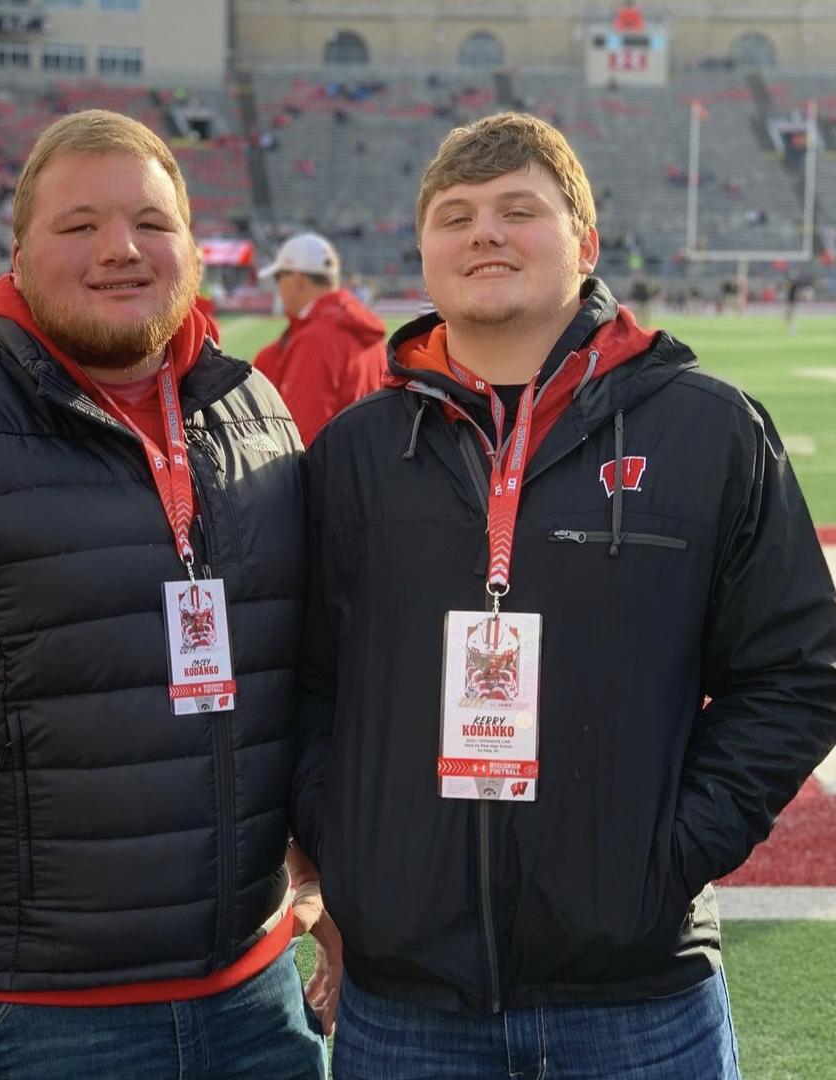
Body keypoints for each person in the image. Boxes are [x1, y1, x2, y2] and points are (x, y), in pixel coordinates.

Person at [0, 110, 333, 1080]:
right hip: (41, 1020)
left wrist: (317, 880)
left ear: (191, 247)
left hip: (258, 1004)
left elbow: (294, 678)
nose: (121, 248)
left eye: (152, 223)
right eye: (80, 225)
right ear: (18, 254)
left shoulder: (257, 413)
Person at [291, 113, 836, 1079]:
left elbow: (797, 672)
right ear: (424, 254)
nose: (483, 233)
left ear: (585, 244)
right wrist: (351, 855)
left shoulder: (709, 432)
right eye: (455, 216)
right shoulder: (353, 455)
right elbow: (300, 681)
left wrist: (668, 856)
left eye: (518, 210)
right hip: (407, 1003)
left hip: (640, 1001)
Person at [254, 232, 386, 446]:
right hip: (366, 460)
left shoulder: (316, 340)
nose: (278, 287)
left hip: (334, 465)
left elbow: (302, 439)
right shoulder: (368, 333)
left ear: (298, 281)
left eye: (279, 277)